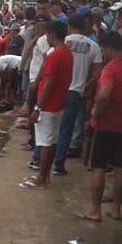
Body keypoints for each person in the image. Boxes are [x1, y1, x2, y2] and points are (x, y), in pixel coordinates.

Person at [79, 31, 122, 221]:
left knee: (98, 166)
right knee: (119, 168)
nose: (103, 53)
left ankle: (95, 211)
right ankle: (116, 210)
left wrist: (96, 111)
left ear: (109, 47)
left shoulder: (110, 70)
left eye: (104, 49)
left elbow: (105, 93)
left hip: (104, 125)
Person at [22, 21, 73, 190]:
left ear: (52, 35)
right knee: (52, 141)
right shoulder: (67, 54)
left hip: (48, 105)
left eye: (48, 35)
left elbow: (49, 82)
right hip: (58, 103)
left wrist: (38, 108)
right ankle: (45, 176)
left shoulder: (55, 55)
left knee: (44, 143)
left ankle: (41, 179)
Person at [53, 14, 103, 176]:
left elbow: (50, 64)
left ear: (68, 26)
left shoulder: (62, 42)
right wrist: (87, 86)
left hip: (57, 90)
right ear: (85, 27)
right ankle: (58, 164)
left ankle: (42, 159)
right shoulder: (93, 46)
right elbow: (97, 72)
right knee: (67, 128)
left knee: (52, 126)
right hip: (76, 92)